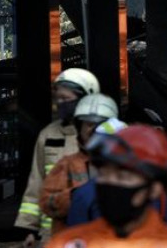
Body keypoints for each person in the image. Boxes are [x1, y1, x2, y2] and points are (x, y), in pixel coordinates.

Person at [47, 125, 167, 248]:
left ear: (154, 189)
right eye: (104, 174)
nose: (110, 183)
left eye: (123, 176)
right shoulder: (66, 243)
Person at [15, 68, 100, 245]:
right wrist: (28, 228)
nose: (60, 103)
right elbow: (36, 182)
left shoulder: (106, 136)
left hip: (96, 233)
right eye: (58, 99)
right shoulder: (48, 135)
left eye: (66, 99)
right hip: (54, 235)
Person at [40, 96, 121, 234]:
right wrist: (74, 196)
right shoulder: (67, 164)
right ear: (79, 127)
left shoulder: (123, 164)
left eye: (99, 124)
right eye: (88, 124)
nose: (93, 130)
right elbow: (47, 203)